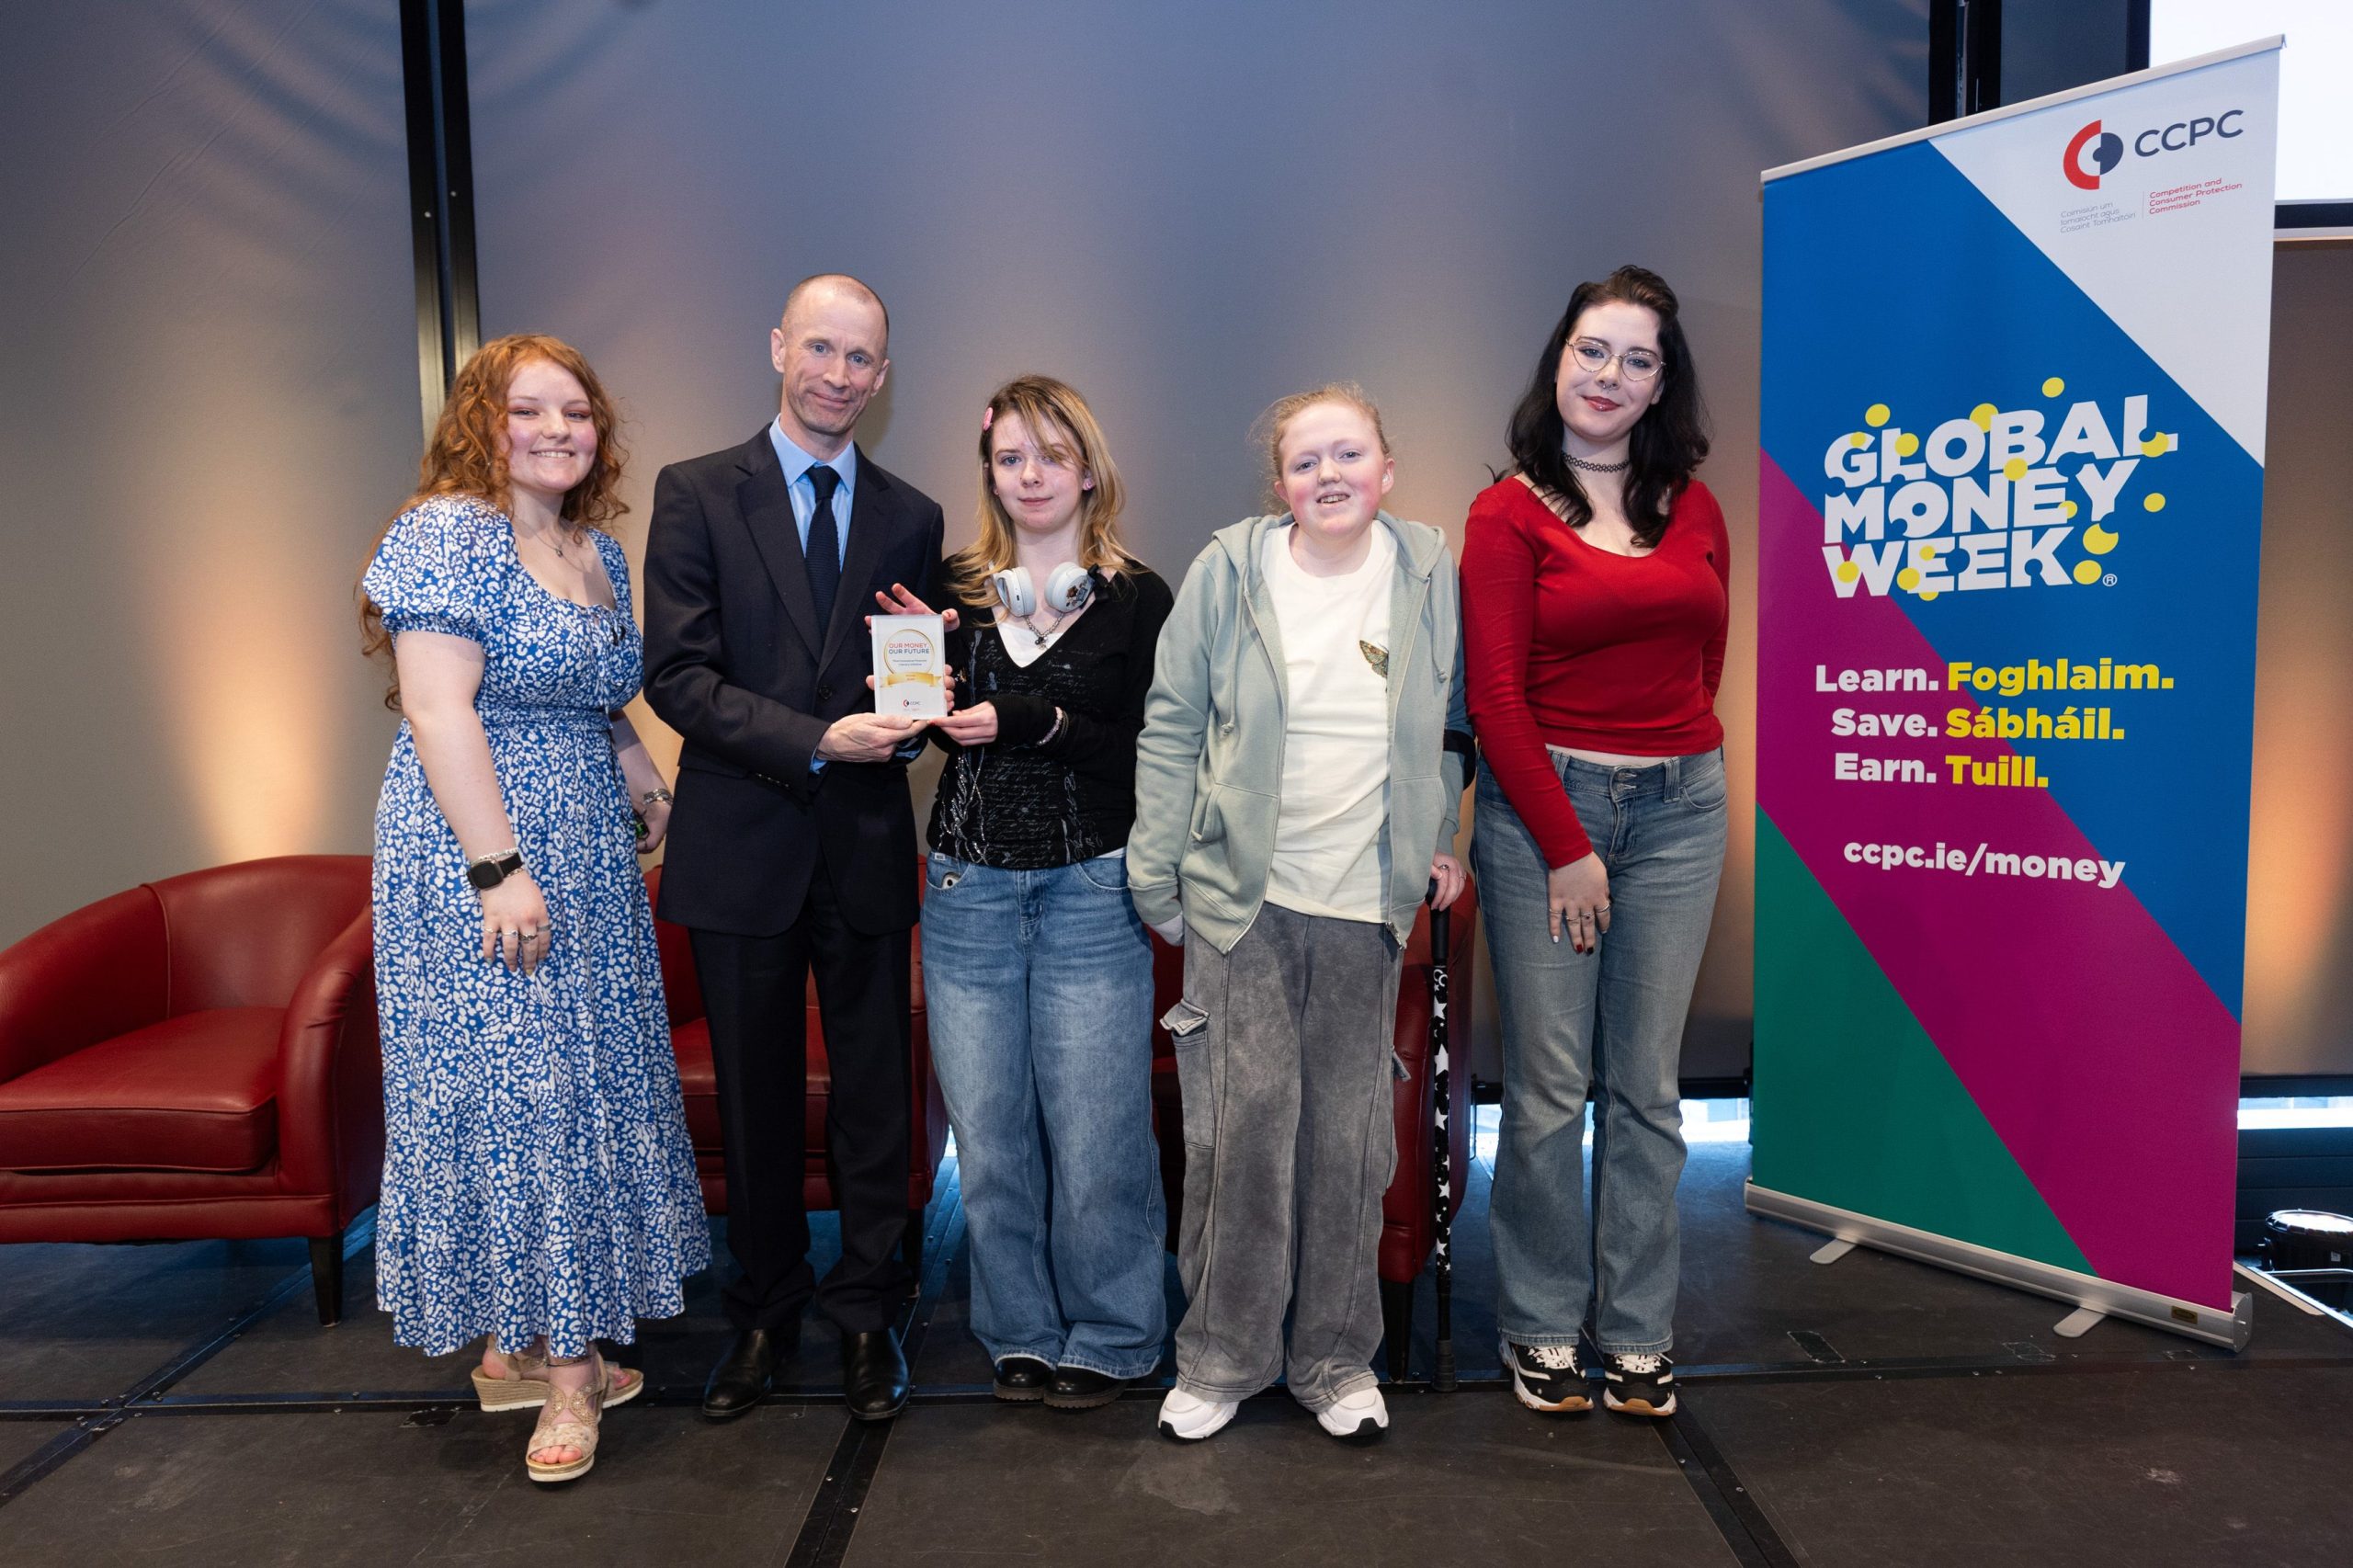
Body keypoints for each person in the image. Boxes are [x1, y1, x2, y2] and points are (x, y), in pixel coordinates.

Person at [359, 334, 708, 1484]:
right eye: (531, 410)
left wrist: (637, 767)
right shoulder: (448, 530)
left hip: (588, 855)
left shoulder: (591, 544)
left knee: (581, 1088)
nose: (560, 429)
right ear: (481, 421)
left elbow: (589, 692)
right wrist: (497, 867)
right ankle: (567, 1376)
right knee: (525, 1093)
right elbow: (439, 708)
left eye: (579, 411)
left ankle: (534, 1336)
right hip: (483, 844)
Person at [1129, 383, 1472, 1445]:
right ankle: (1221, 1358)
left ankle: (1334, 1359)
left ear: (1387, 465)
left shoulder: (1425, 570)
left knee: (1351, 1146)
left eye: (1349, 454)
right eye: (1306, 460)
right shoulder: (1230, 571)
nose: (1329, 475)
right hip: (1246, 907)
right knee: (1239, 1140)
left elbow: (1450, 723)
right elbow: (1172, 724)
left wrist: (1431, 834)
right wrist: (1157, 874)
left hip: (1367, 909)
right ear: (1278, 481)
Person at [642, 274, 945, 1424]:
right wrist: (816, 737)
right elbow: (677, 675)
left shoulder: (912, 513)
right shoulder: (696, 492)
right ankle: (763, 1316)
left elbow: (899, 671)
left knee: (872, 1096)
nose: (837, 373)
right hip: (744, 845)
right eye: (819, 347)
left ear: (882, 374)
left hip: (865, 843)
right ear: (777, 345)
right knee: (756, 1100)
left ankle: (865, 1315)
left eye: (860, 357)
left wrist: (923, 685)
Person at [1461, 265, 1729, 1420]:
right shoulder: (1507, 511)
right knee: (1547, 1089)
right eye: (1592, 351)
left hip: (1681, 809)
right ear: (1556, 362)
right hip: (1544, 817)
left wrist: (1670, 769)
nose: (1609, 375)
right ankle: (1538, 1322)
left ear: (1662, 382)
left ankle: (1634, 1329)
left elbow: (1700, 666)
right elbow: (1497, 701)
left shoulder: (1696, 505)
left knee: (1649, 1092)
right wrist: (1570, 843)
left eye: (1636, 358)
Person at [877, 375, 1173, 1411]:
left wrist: (1033, 721)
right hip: (966, 887)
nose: (1032, 474)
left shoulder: (1138, 596)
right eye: (1011, 458)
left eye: (1052, 454)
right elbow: (912, 728)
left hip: (1094, 884)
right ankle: (1021, 1328)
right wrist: (918, 686)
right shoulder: (950, 586)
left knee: (1098, 1132)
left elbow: (1154, 754)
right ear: (990, 470)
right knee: (991, 1136)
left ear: (1089, 467)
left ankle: (1120, 1331)